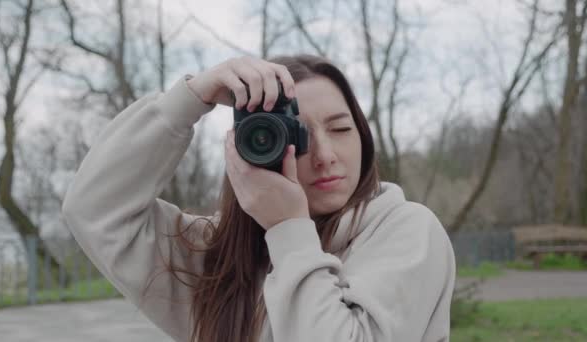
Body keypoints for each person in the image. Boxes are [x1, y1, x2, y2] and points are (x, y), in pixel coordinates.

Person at [61, 54, 456, 342]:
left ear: (363, 139)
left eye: (340, 129)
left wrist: (289, 230)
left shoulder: (405, 230)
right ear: (251, 149)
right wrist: (189, 99)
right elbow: (94, 210)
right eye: (297, 136)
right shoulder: (217, 261)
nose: (325, 156)